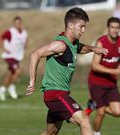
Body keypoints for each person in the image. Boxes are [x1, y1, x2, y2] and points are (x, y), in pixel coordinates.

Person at [25, 7, 108, 135]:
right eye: (81, 26)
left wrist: (94, 49)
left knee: (51, 132)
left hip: (60, 94)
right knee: (84, 120)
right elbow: (35, 54)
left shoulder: (73, 43)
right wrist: (32, 80)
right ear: (70, 26)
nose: (83, 30)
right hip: (56, 94)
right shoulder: (60, 44)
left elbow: (80, 48)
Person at [85, 17, 120, 135]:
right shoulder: (101, 43)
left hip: (111, 83)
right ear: (108, 28)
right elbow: (95, 66)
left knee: (118, 112)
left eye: (117, 27)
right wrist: (113, 72)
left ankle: (93, 106)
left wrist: (119, 66)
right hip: (96, 82)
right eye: (112, 27)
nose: (115, 30)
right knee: (101, 112)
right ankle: (96, 133)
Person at [0, 16, 28, 101]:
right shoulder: (10, 32)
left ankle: (1, 90)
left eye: (19, 22)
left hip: (17, 56)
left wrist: (25, 45)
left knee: (11, 74)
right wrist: (3, 48)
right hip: (9, 56)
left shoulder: (24, 32)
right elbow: (0, 38)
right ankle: (11, 87)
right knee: (17, 71)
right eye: (16, 23)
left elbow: (25, 42)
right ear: (14, 23)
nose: (18, 24)